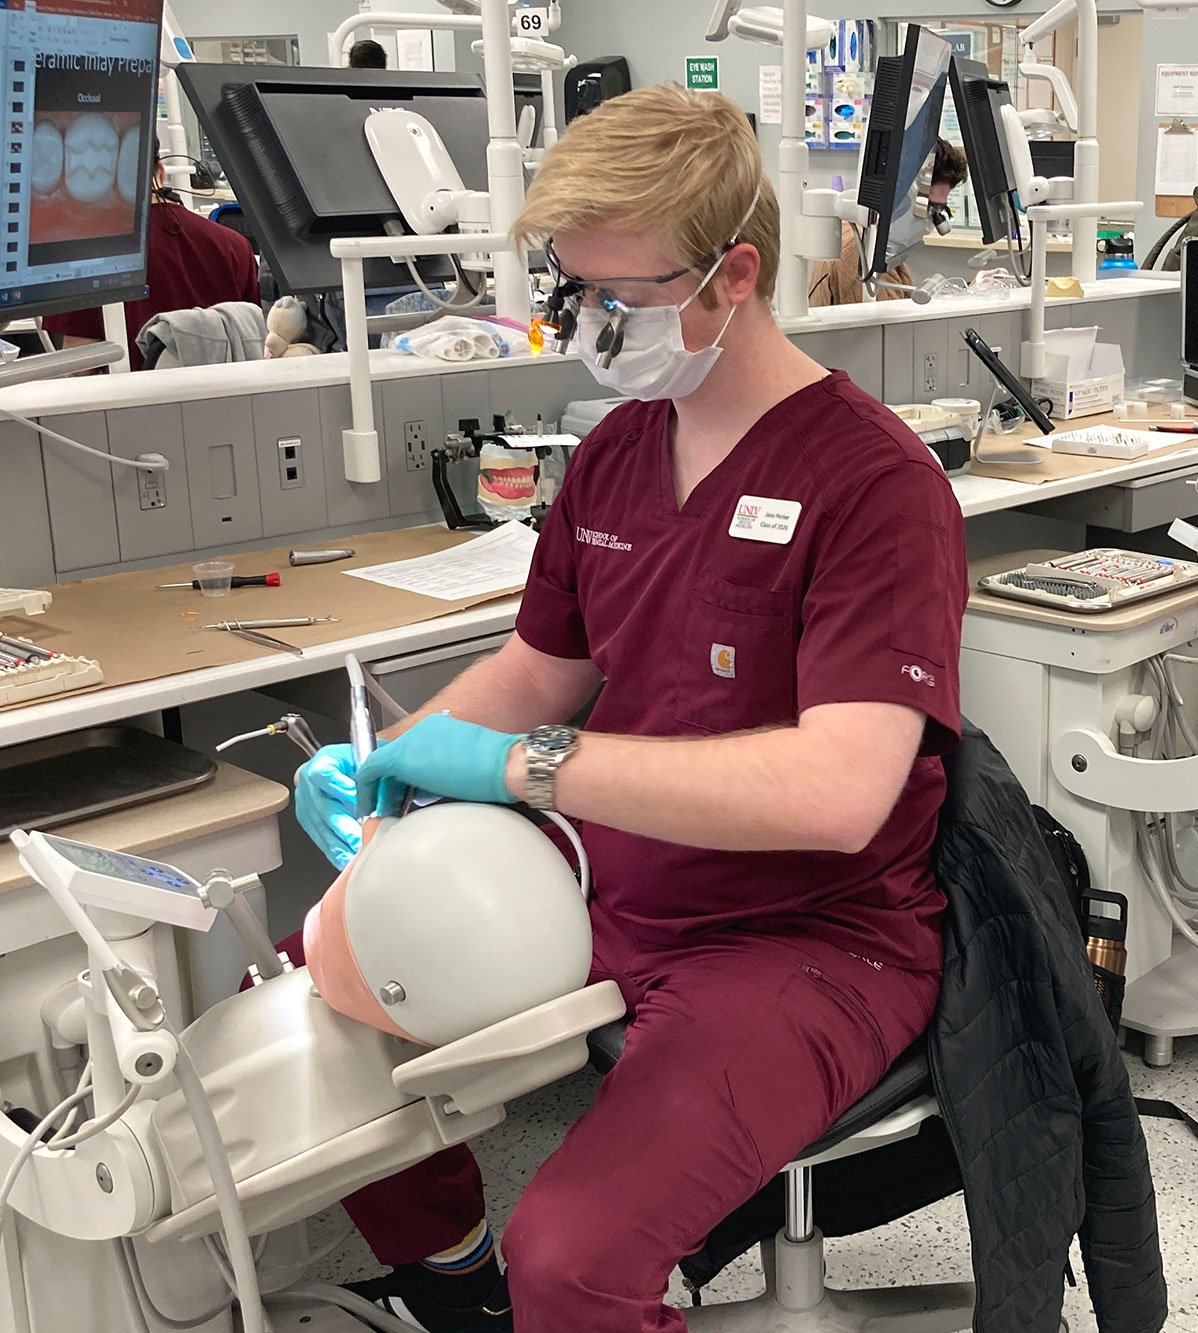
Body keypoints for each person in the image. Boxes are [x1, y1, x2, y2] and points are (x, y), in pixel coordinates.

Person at [286, 85, 966, 1333]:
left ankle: (535, 1293)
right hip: (607, 883)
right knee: (307, 1003)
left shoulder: (874, 483)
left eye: (618, 299)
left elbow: (835, 791)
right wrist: (399, 760)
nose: (588, 326)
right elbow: (541, 669)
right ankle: (453, 1281)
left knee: (579, 1259)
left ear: (733, 275)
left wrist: (521, 767)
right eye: (569, 292)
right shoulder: (613, 452)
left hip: (805, 937)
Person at [43, 163, 259, 371]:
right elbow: (256, 334)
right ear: (161, 173)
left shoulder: (85, 253)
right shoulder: (235, 245)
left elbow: (81, 364)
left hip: (132, 402)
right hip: (227, 398)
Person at [809, 138, 967, 306]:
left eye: (938, 212)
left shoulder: (879, 245)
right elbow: (885, 328)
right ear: (902, 196)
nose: (932, 222)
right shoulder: (859, 253)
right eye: (930, 208)